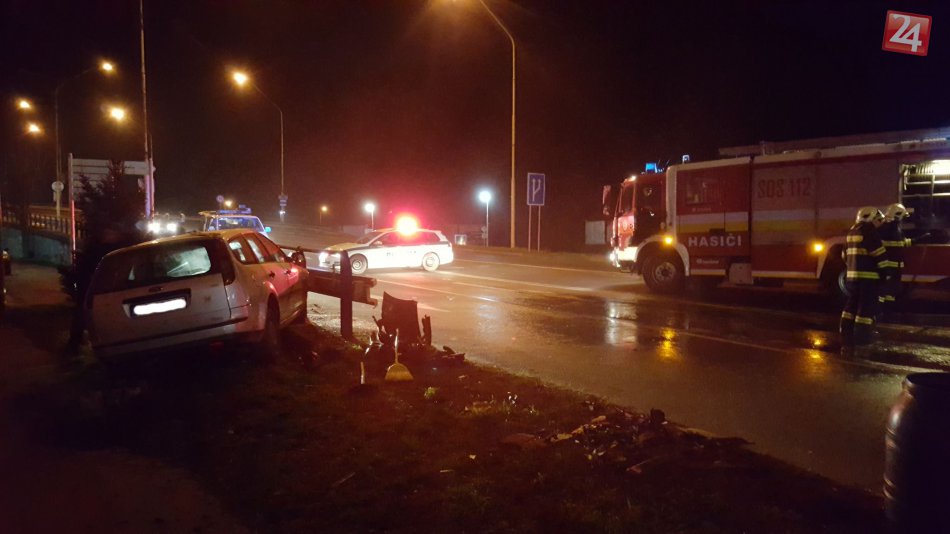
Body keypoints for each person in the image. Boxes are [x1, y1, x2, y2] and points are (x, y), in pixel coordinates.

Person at [839, 207, 888, 346]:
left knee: (851, 305)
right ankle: (862, 335)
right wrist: (886, 272)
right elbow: (879, 254)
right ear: (871, 219)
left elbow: (844, 255)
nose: (879, 223)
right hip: (869, 279)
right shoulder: (870, 232)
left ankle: (845, 329)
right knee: (866, 307)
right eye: (878, 220)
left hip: (852, 278)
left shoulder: (852, 232)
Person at [877, 203, 912, 315]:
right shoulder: (886, 229)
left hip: (895, 265)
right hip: (889, 266)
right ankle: (881, 312)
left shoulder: (895, 229)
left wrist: (920, 239)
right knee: (885, 290)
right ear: (897, 216)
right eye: (902, 217)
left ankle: (888, 311)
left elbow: (902, 243)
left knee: (892, 291)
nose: (903, 220)